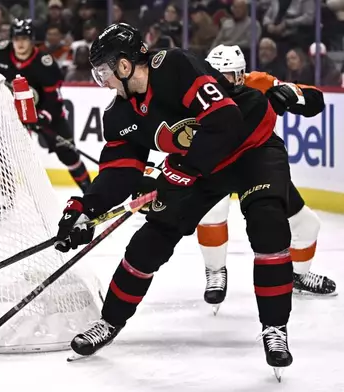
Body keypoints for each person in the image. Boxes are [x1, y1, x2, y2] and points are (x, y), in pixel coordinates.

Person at [55, 23, 293, 377]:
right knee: (150, 240)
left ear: (124, 66)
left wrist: (180, 170)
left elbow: (226, 121)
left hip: (252, 149)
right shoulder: (119, 114)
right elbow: (120, 170)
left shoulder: (175, 67)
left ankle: (275, 328)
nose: (101, 80)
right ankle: (109, 322)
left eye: (104, 71)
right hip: (200, 166)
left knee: (268, 223)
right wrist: (86, 209)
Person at [196, 45, 336, 313]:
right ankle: (215, 270)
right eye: (215, 74)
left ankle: (297, 275)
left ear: (241, 74)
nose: (222, 80)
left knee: (307, 225)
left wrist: (296, 96)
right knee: (213, 210)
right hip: (219, 165)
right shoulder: (198, 90)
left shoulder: (258, 82)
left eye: (229, 74)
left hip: (259, 164)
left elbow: (315, 98)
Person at [0, 19, 91, 213]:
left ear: (32, 40)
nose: (20, 43)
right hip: (13, 115)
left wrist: (43, 116)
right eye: (17, 38)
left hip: (46, 115)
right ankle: (6, 198)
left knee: (68, 152)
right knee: (0, 150)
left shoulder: (44, 63)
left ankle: (90, 193)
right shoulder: (0, 53)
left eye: (25, 38)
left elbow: (54, 97)